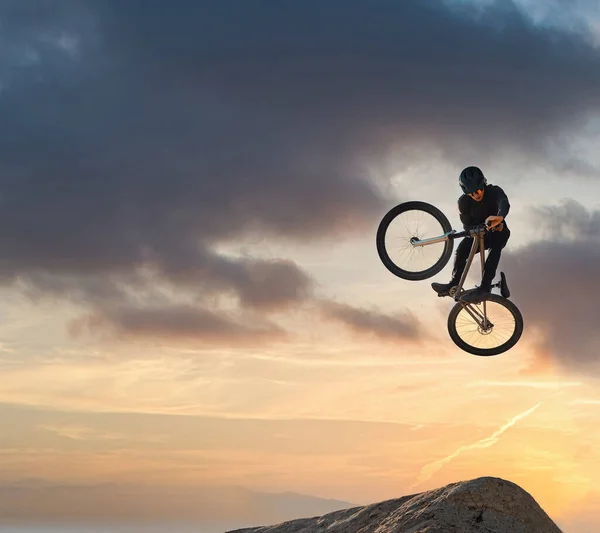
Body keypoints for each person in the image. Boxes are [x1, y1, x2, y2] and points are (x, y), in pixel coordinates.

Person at [431, 166, 510, 303]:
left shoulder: (494, 191)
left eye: (479, 190)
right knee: (462, 250)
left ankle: (485, 288)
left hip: (498, 231)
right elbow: (467, 226)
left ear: (483, 184)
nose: (476, 195)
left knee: (496, 245)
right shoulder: (463, 203)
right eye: (472, 193)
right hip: (477, 234)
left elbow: (504, 203)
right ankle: (454, 283)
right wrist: (477, 228)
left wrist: (499, 217)